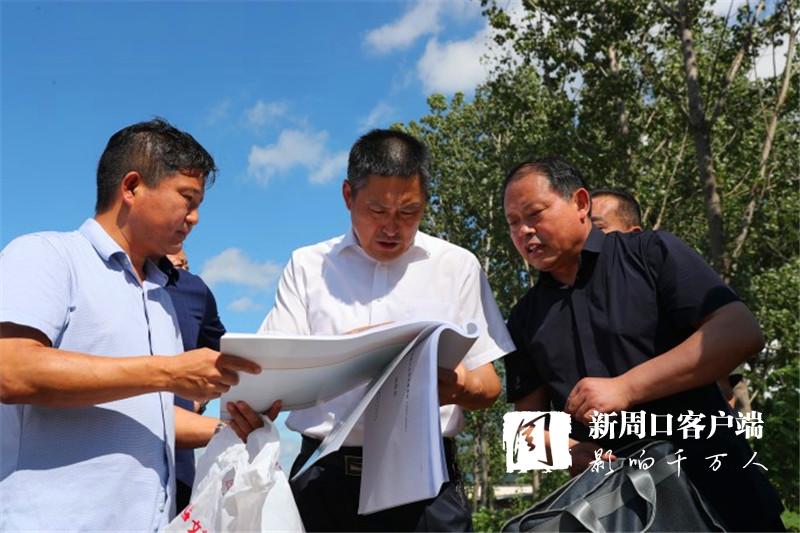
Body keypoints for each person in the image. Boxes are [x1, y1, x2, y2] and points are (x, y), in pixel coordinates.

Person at [0, 119, 268, 531]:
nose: (195, 218)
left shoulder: (160, 298)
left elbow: (148, 414)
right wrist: (169, 372)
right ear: (131, 187)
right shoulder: (46, 255)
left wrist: (231, 430)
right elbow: (11, 369)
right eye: (187, 199)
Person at [501, 157, 784, 531]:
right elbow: (524, 432)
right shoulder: (524, 318)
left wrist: (626, 387)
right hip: (621, 515)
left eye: (534, 214)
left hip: (718, 494)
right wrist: (570, 452)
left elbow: (739, 331)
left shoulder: (650, 254)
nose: (524, 231)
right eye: (512, 223)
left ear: (580, 203)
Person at [259, 129, 515, 531]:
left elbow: (489, 385)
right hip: (326, 480)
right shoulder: (308, 267)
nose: (392, 228)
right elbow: (272, 371)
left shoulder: (456, 266)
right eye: (377, 211)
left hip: (426, 479)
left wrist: (458, 385)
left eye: (408, 212)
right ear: (348, 196)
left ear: (425, 201)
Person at [158, 246, 225, 511]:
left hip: (180, 460)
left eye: (184, 264)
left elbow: (224, 359)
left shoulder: (194, 289)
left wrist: (199, 402)